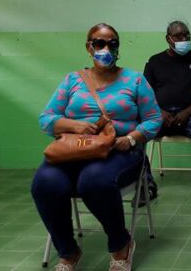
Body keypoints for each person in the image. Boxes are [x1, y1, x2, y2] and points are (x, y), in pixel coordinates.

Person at [32, 23, 162, 271]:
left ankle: (121, 244)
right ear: (88, 47)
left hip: (119, 150)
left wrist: (132, 138)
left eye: (112, 43)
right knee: (44, 183)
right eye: (99, 43)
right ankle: (68, 252)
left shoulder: (134, 80)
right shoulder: (72, 80)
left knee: (93, 181)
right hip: (75, 149)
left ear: (118, 48)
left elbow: (154, 120)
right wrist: (73, 125)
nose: (106, 48)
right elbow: (46, 119)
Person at [143, 20, 191, 214]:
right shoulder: (154, 62)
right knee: (137, 132)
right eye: (179, 36)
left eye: (187, 35)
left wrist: (187, 112)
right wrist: (160, 112)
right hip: (160, 114)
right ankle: (146, 186)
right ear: (168, 38)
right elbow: (145, 94)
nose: (184, 39)